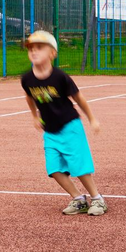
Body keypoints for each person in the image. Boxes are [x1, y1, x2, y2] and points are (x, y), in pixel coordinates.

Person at [21, 31, 105, 216]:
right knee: (54, 169)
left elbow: (78, 98)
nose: (34, 52)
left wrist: (92, 118)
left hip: (70, 126)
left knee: (78, 166)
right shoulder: (27, 79)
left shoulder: (60, 77)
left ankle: (97, 199)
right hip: (50, 130)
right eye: (31, 49)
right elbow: (29, 97)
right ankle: (78, 199)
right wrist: (34, 116)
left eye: (39, 48)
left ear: (52, 53)